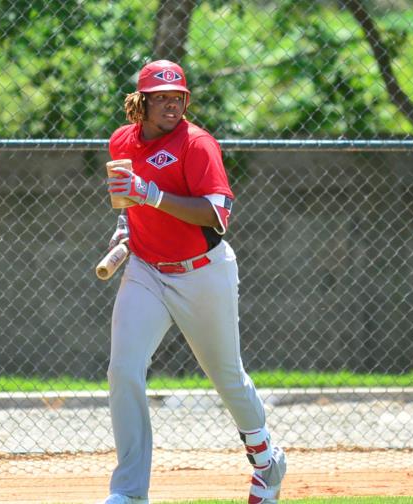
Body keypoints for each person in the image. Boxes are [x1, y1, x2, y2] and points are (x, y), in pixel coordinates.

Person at [99, 59, 287, 504]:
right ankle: (128, 493)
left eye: (177, 96)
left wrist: (153, 196)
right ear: (140, 103)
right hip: (145, 270)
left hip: (202, 272)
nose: (171, 104)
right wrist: (128, 223)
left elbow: (217, 216)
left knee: (226, 377)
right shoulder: (121, 140)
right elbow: (127, 199)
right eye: (161, 97)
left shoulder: (198, 144)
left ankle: (267, 462)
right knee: (123, 370)